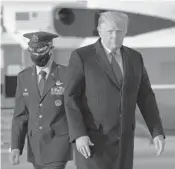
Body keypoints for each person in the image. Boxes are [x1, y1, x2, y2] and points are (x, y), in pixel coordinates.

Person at [64, 11, 165, 169]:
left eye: (119, 31)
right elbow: (70, 98)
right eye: (110, 31)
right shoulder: (82, 57)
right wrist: (78, 134)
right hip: (92, 142)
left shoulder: (135, 58)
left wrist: (156, 131)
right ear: (99, 30)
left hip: (124, 142)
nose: (114, 36)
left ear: (125, 32)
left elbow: (146, 97)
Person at [10, 31, 71, 169]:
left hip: (58, 143)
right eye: (33, 50)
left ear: (51, 49)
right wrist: (15, 147)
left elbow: (74, 109)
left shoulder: (66, 74)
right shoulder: (23, 77)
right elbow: (20, 115)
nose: (36, 55)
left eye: (41, 50)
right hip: (35, 145)